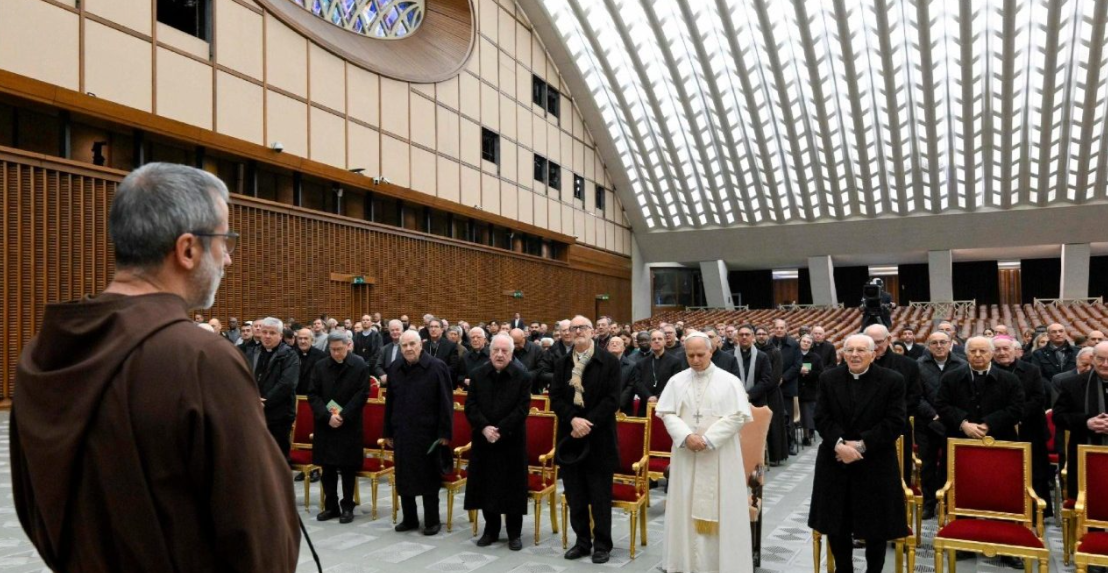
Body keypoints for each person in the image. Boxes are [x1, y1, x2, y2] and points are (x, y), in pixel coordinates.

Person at [10, 162, 299, 571]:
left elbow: (36, 505)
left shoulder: (41, 353)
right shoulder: (201, 359)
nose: (228, 260)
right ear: (187, 249)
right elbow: (261, 541)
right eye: (225, 241)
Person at [808, 334, 908, 573]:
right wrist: (840, 445)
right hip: (835, 461)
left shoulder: (892, 380)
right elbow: (821, 417)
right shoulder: (828, 378)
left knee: (876, 526)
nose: (854, 355)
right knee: (837, 524)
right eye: (849, 350)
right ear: (843, 354)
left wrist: (861, 445)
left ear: (873, 355)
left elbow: (895, 421)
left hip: (875, 462)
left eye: (861, 350)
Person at [656, 332, 754, 573]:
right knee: (685, 505)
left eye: (701, 354)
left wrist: (708, 439)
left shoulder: (729, 381)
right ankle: (684, 564)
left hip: (720, 455)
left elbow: (739, 416)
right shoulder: (677, 381)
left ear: (711, 351)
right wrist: (686, 436)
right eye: (690, 355)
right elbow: (666, 413)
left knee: (723, 506)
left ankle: (723, 566)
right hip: (687, 455)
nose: (696, 360)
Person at [551, 316, 621, 564]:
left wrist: (586, 422)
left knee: (600, 497)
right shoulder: (562, 363)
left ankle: (602, 544)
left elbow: (613, 399)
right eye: (574, 328)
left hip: (599, 437)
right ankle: (582, 542)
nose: (578, 331)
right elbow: (555, 398)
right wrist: (573, 420)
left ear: (593, 332)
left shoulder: (609, 361)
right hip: (571, 438)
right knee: (576, 496)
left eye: (582, 328)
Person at [464, 334, 532, 550]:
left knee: (512, 487)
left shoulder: (522, 377)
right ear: (490, 351)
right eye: (496, 350)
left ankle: (514, 534)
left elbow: (522, 409)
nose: (500, 355)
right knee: (486, 486)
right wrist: (484, 427)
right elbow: (470, 406)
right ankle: (490, 530)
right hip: (484, 440)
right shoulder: (477, 375)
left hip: (511, 441)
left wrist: (500, 430)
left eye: (504, 351)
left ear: (511, 354)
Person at [383, 331, 453, 535]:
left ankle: (432, 520)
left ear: (420, 345)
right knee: (404, 476)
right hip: (402, 432)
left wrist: (445, 433)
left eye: (412, 344)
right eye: (404, 345)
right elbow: (390, 402)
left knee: (428, 478)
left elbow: (446, 402)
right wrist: (387, 431)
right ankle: (410, 518)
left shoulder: (437, 367)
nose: (408, 348)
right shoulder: (395, 367)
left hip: (428, 434)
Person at [309, 331, 371, 524]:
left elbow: (362, 394)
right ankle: (331, 506)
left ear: (348, 346)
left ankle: (347, 506)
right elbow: (313, 394)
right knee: (327, 467)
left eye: (340, 349)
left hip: (349, 424)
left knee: (348, 468)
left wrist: (343, 416)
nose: (336, 353)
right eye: (333, 349)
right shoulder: (320, 366)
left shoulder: (359, 365)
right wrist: (327, 416)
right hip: (325, 424)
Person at [991, 335, 1051, 517]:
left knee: (1035, 471)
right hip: (1000, 428)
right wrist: (1006, 418)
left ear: (1016, 351)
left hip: (1031, 427)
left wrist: (1016, 414)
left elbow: (1038, 398)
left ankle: (1036, 512)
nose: (1002, 353)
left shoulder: (1032, 370)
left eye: (1006, 349)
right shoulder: (989, 371)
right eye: (997, 349)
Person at [915, 331, 965, 519]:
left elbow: (964, 397)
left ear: (951, 343)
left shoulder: (962, 365)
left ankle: (949, 502)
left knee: (950, 465)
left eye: (943, 342)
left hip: (953, 424)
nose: (939, 346)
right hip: (927, 423)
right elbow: (915, 396)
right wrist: (933, 415)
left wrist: (949, 416)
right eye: (934, 343)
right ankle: (929, 504)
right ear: (928, 345)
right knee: (927, 466)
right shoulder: (918, 365)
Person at [936, 336, 1024, 442]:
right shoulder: (950, 377)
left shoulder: (1010, 379)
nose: (977, 355)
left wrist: (989, 424)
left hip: (1000, 438)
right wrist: (963, 424)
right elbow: (942, 405)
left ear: (992, 353)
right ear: (966, 353)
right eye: (973, 351)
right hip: (959, 438)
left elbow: (1017, 408)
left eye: (982, 351)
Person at [864, 324, 922, 480]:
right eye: (871, 342)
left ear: (889, 339)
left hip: (897, 428)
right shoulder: (856, 364)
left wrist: (890, 416)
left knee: (897, 475)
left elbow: (914, 397)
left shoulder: (908, 365)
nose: (875, 347)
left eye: (879, 342)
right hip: (863, 429)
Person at [1052, 341, 1108, 496]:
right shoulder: (1072, 384)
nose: (1105, 364)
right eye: (1100, 359)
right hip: (1082, 452)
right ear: (1093, 358)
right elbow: (1058, 416)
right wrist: (1086, 422)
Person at [248, 317, 300, 460]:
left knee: (277, 457)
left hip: (279, 414)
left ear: (280, 335)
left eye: (272, 333)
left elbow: (287, 383)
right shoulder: (253, 352)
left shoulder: (289, 355)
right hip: (255, 411)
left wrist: (265, 401)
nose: (267, 336)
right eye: (264, 332)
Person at [627, 329, 683, 417]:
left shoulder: (675, 362)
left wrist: (658, 397)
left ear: (664, 341)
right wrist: (648, 396)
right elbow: (637, 382)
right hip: (645, 405)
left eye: (660, 339)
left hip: (667, 406)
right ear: (650, 342)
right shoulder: (641, 363)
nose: (656, 341)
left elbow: (675, 383)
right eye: (653, 339)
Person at [770, 318, 803, 455]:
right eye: (777, 328)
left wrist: (783, 378)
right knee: (773, 417)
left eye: (781, 328)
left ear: (786, 328)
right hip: (771, 386)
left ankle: (790, 444)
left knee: (788, 418)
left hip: (788, 386)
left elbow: (797, 365)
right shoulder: (769, 343)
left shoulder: (794, 344)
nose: (779, 330)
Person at [797, 333, 824, 446]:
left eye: (808, 342)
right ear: (800, 342)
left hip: (809, 390)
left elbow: (820, 373)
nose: (806, 343)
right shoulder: (794, 354)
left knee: (807, 414)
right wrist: (798, 371)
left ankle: (806, 436)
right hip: (795, 388)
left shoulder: (815, 358)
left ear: (811, 345)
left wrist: (808, 373)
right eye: (804, 341)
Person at [536, 319, 573, 392]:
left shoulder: (582, 348)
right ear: (560, 333)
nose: (567, 333)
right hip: (558, 391)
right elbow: (542, 372)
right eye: (564, 330)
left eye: (569, 330)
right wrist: (561, 377)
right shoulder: (551, 351)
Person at [609, 337, 641, 416]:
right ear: (608, 348)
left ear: (623, 348)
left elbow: (630, 387)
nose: (614, 344)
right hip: (604, 407)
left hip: (624, 408)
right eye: (612, 343)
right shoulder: (602, 365)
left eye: (617, 343)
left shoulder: (632, 366)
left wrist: (618, 404)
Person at [294, 327, 327, 396]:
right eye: (300, 338)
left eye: (306, 338)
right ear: (296, 340)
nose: (303, 341)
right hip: (295, 396)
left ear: (312, 340)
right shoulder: (292, 355)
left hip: (313, 396)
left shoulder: (321, 356)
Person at [374, 319, 405, 385]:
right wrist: (382, 374)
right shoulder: (384, 349)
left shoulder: (407, 347)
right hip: (388, 383)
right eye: (392, 330)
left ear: (402, 331)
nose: (395, 332)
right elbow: (377, 366)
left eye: (397, 329)